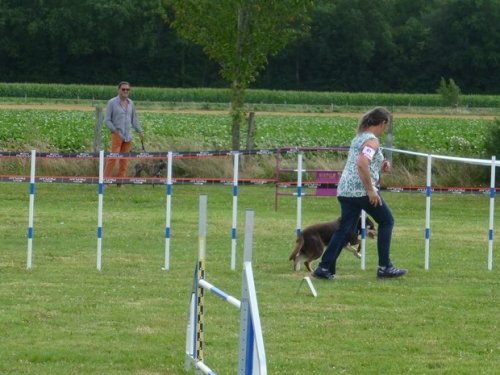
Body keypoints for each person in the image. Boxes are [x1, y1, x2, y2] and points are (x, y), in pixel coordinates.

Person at [312, 107, 407, 280]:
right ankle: (385, 267)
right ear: (383, 122)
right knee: (387, 221)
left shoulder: (359, 138)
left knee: (344, 229)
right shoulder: (372, 140)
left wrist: (381, 166)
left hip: (345, 190)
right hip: (361, 191)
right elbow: (362, 163)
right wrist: (371, 190)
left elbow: (365, 163)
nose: (386, 129)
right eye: (387, 125)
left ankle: (324, 268)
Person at [104, 81, 144, 186]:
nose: (125, 91)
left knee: (124, 160)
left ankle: (120, 183)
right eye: (123, 89)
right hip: (117, 135)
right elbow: (107, 120)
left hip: (128, 136)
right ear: (119, 90)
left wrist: (139, 130)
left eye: (127, 89)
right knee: (113, 158)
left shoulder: (131, 103)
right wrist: (114, 130)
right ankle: (105, 182)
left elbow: (134, 119)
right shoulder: (112, 103)